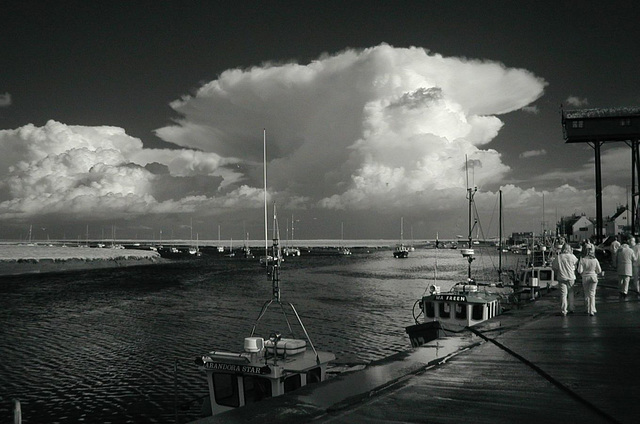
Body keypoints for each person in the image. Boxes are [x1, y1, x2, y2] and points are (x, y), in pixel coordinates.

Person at [552, 242, 579, 316]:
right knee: (571, 293)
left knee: (563, 294)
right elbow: (576, 265)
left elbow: (554, 267)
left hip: (561, 277)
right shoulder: (572, 256)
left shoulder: (559, 257)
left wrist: (557, 273)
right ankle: (571, 308)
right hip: (571, 277)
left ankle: (564, 310)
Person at [577, 244, 602, 316]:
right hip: (593, 277)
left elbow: (579, 271)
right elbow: (599, 270)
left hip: (585, 277)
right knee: (592, 294)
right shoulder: (595, 259)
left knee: (586, 293)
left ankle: (587, 309)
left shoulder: (582, 259)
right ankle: (592, 309)